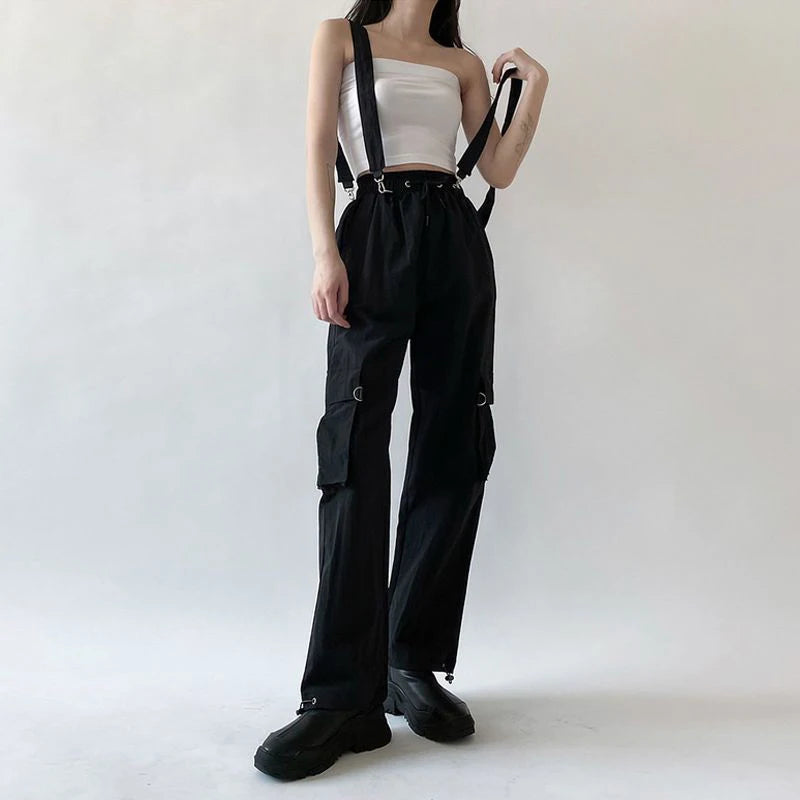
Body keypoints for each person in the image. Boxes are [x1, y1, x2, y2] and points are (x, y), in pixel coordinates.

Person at [255, 0, 548, 781]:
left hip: (455, 239)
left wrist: (536, 89)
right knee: (354, 444)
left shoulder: (461, 62)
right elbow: (317, 147)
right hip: (374, 229)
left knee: (455, 442)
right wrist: (326, 253)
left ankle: (408, 662)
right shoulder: (341, 38)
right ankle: (339, 696)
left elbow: (497, 170)